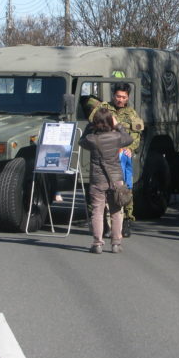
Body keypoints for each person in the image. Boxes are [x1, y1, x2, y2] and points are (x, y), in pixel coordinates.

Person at [89, 82, 144, 237]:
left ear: (128, 98)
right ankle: (104, 225)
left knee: (125, 188)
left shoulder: (132, 114)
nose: (120, 100)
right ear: (114, 95)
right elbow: (93, 119)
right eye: (118, 96)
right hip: (105, 154)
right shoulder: (104, 108)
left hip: (122, 155)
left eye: (124, 97)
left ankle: (126, 220)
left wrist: (130, 148)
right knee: (101, 189)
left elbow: (136, 135)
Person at [79, 108, 133, 254]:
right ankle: (116, 243)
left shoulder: (92, 139)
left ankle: (97, 243)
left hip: (98, 180)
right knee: (116, 211)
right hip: (116, 180)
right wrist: (118, 125)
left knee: (97, 211)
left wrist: (89, 127)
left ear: (96, 123)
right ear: (110, 121)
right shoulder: (117, 137)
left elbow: (81, 141)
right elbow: (129, 139)